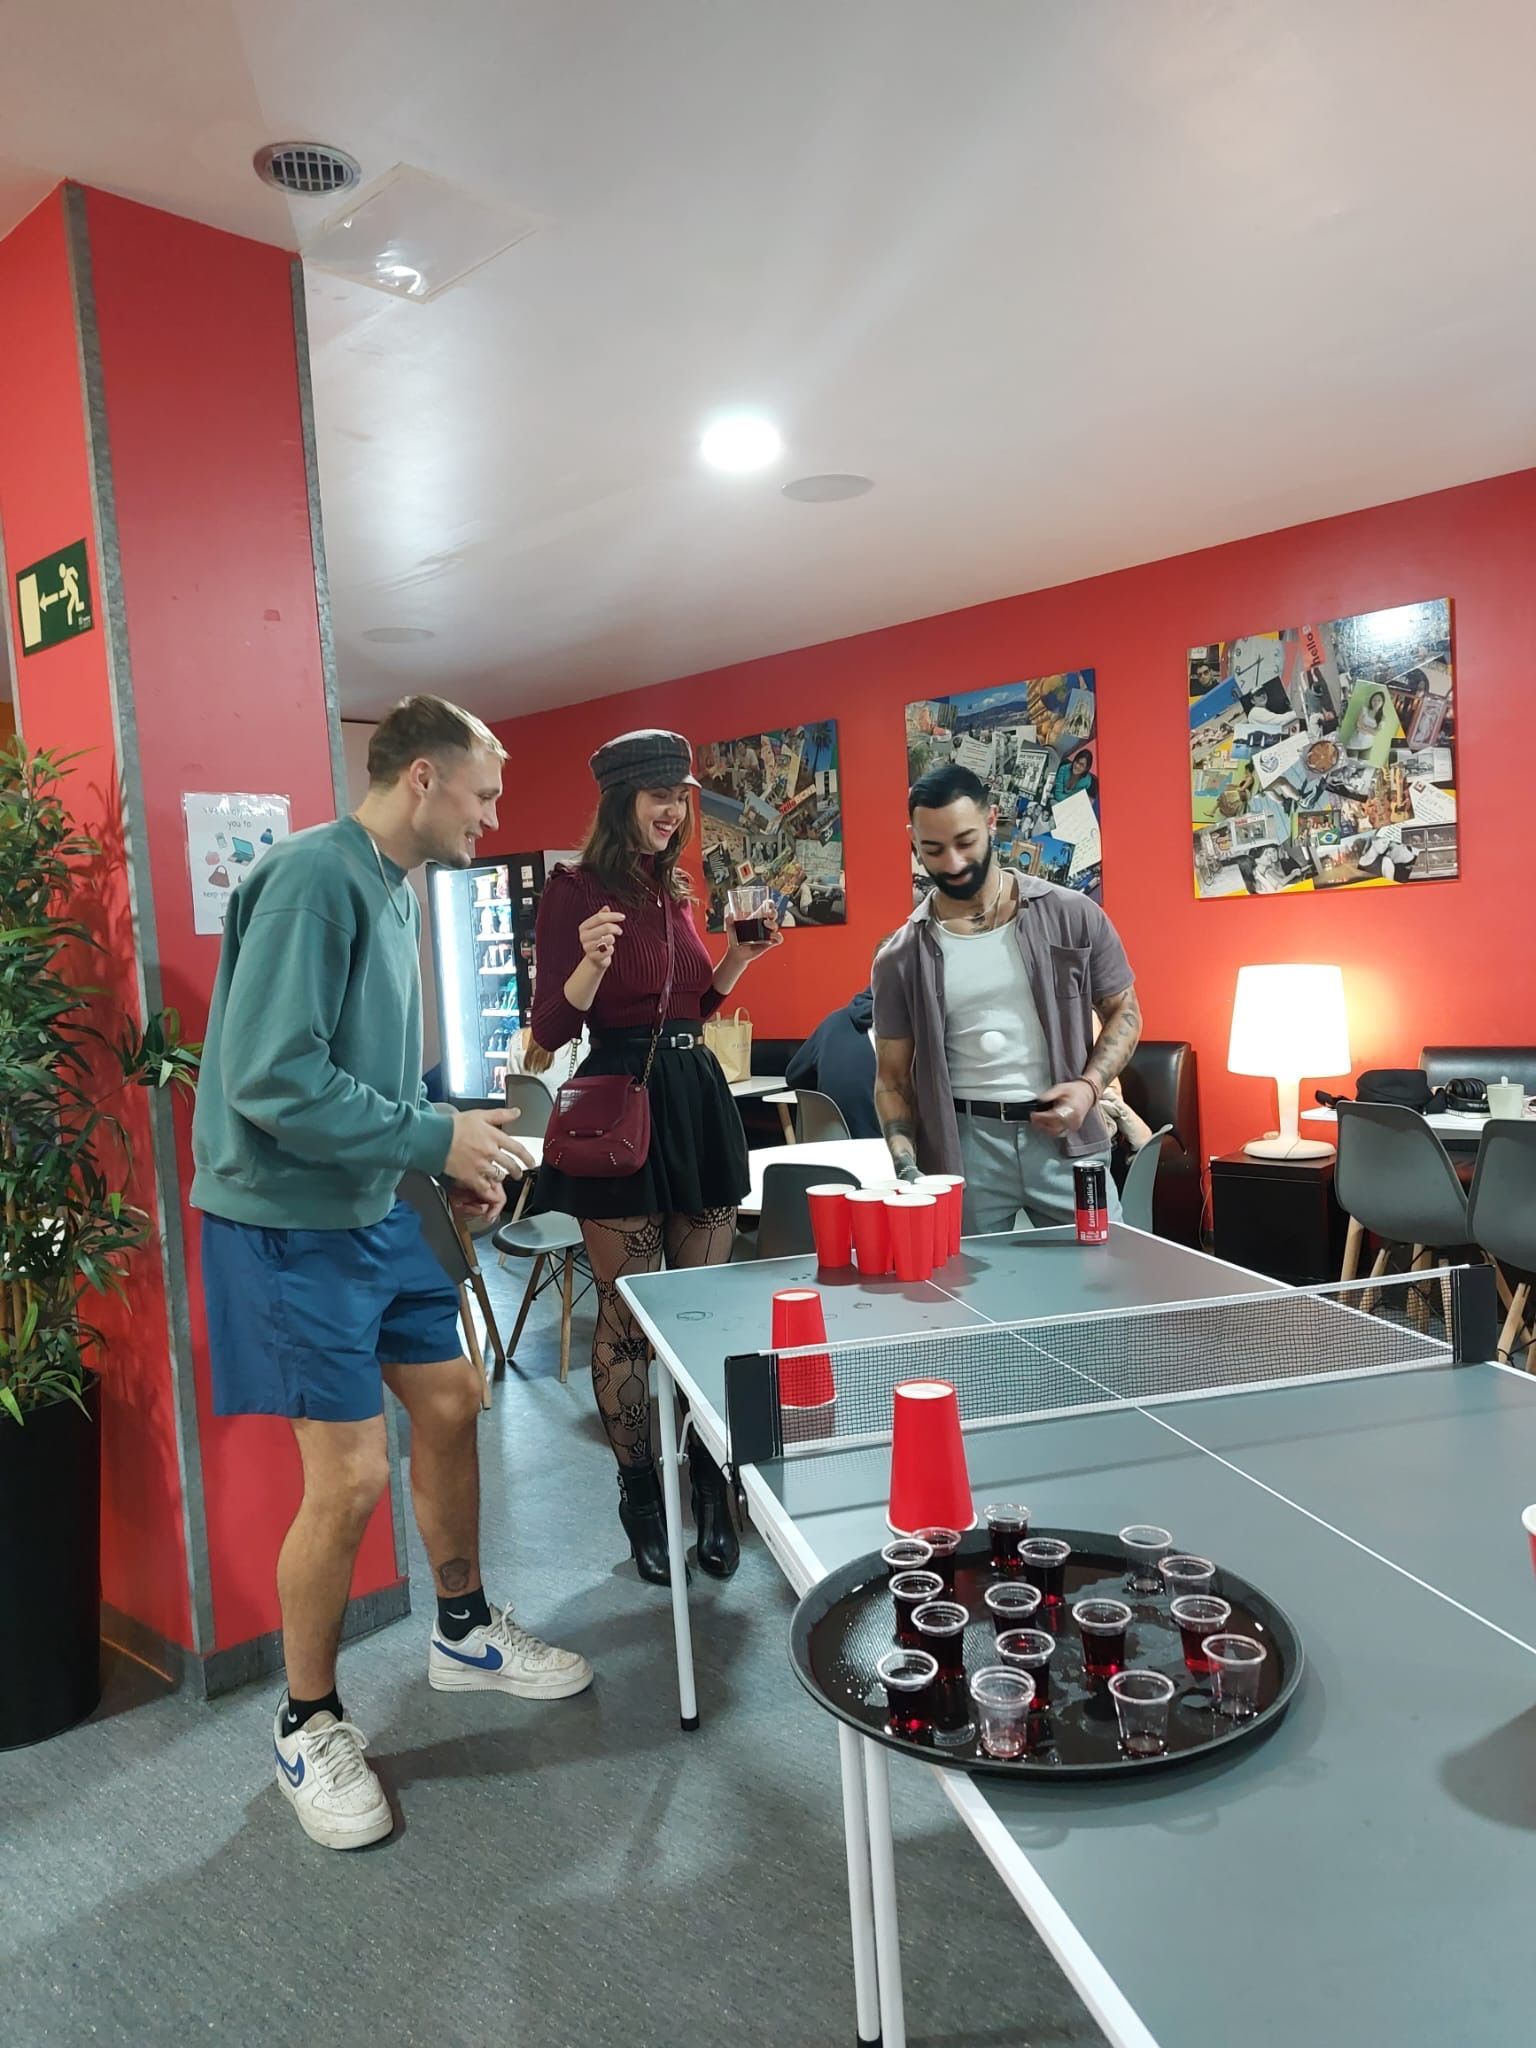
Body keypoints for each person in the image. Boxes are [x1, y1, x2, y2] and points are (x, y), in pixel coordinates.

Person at [191, 695, 592, 1854]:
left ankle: (462, 1628)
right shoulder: (318, 875)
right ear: (423, 776)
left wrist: (440, 1150)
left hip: (372, 1207)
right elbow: (273, 1078)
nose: (495, 812)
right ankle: (305, 1718)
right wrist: (431, 1141)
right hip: (288, 1224)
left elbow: (365, 1077)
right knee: (351, 1475)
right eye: (485, 792)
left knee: (458, 1397)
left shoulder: (389, 886)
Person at [530, 729, 781, 1585]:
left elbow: (695, 1004)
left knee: (703, 1312)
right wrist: (589, 966)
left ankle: (712, 1490)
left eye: (680, 795)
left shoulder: (674, 887)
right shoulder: (575, 892)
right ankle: (641, 1495)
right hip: (617, 1104)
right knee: (630, 1322)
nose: (674, 811)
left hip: (692, 1096)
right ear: (619, 800)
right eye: (657, 795)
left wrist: (737, 961)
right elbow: (552, 1031)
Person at [872, 763, 1141, 1233]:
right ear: (913, 840)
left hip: (1068, 1141)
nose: (952, 864)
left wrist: (1088, 1088)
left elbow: (1125, 1010)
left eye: (965, 842)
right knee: (972, 1298)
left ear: (992, 820)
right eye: (933, 849)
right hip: (964, 1151)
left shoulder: (1073, 915)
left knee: (1102, 1288)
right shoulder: (900, 955)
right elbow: (892, 1080)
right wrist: (907, 1168)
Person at [785, 985, 880, 1138]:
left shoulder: (832, 1022)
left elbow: (793, 1076)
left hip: (826, 1152)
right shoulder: (909, 1030)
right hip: (883, 1154)